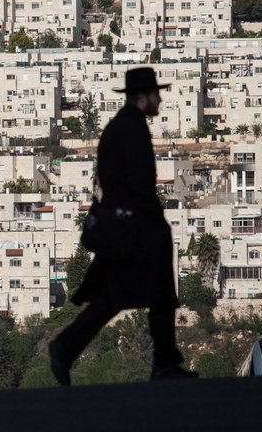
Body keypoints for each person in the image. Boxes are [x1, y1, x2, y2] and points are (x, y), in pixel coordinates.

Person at [49, 67, 197, 383]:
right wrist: (155, 224)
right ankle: (67, 348)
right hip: (137, 231)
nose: (159, 100)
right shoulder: (132, 129)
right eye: (155, 94)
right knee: (144, 296)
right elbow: (140, 185)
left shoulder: (121, 126)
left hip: (127, 228)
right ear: (142, 96)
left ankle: (162, 362)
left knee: (133, 296)